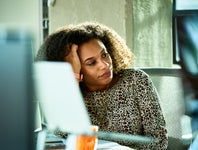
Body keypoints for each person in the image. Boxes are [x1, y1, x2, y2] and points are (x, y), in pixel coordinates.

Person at [36, 22, 168, 149]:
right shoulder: (71, 94)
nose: (104, 65)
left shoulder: (136, 80)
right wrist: (73, 78)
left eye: (104, 55)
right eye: (91, 62)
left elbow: (158, 141)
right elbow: (61, 137)